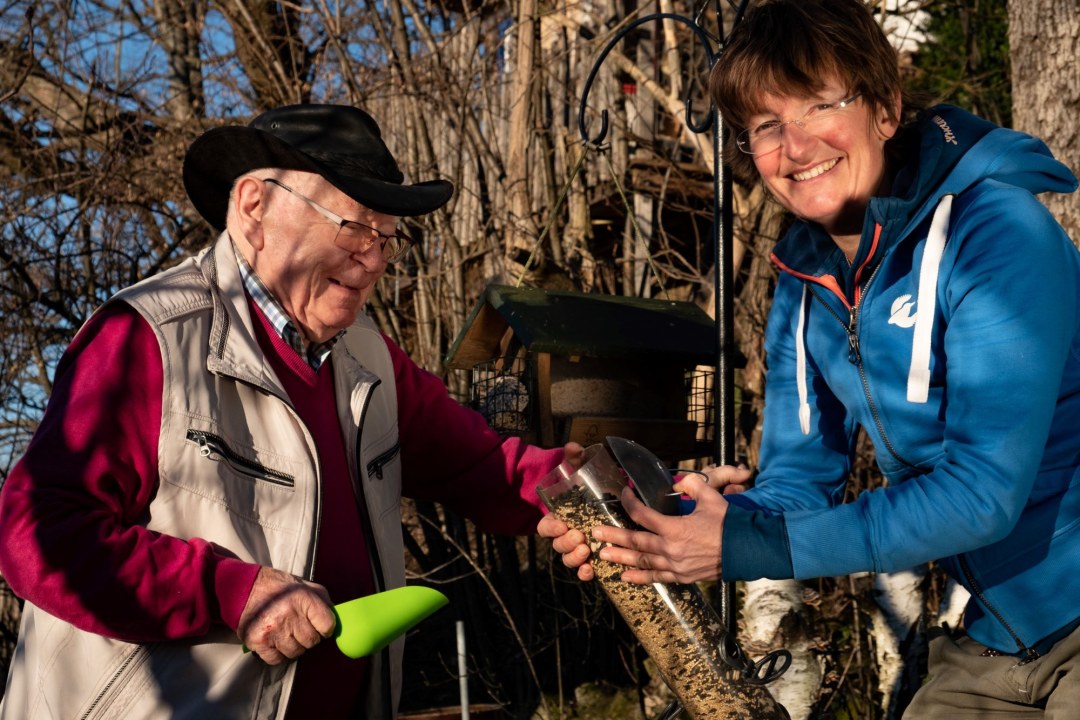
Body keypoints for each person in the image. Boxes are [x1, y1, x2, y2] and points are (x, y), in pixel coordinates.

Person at [539, 0, 1080, 716]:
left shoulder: (995, 235)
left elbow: (981, 495)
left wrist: (745, 547)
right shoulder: (803, 287)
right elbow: (799, 482)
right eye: (766, 126)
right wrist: (665, 526)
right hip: (995, 639)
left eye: (819, 104)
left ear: (885, 109)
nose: (794, 147)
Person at [0, 103, 581, 719]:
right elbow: (36, 534)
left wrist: (582, 491)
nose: (376, 260)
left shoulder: (369, 360)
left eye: (388, 239)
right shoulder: (149, 337)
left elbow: (486, 466)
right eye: (354, 227)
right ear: (255, 206)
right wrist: (230, 592)